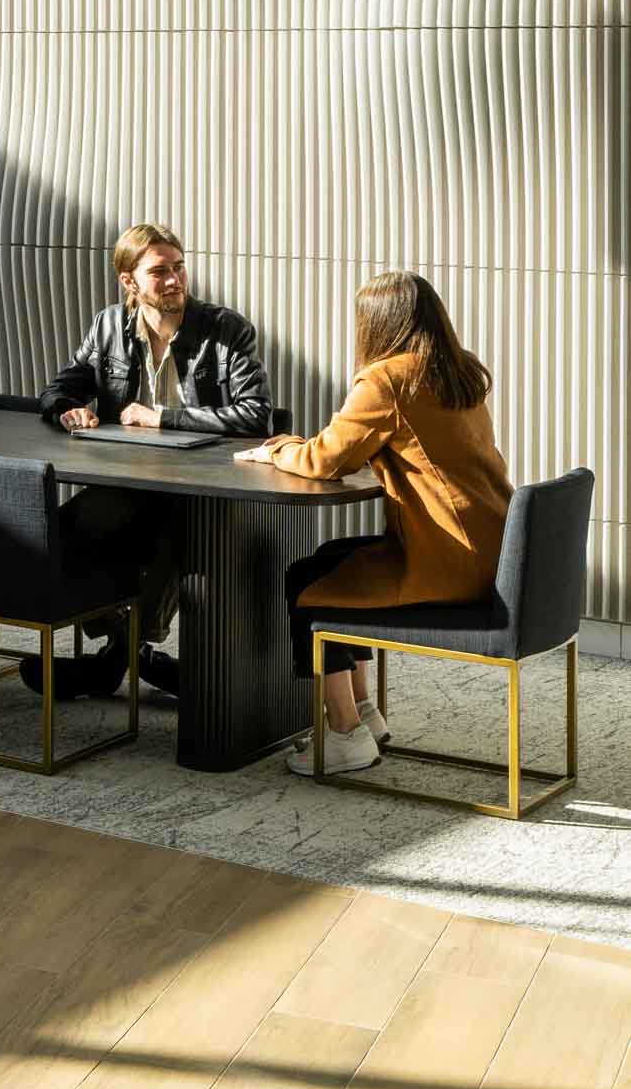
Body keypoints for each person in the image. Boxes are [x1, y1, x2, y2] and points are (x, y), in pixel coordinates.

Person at [238, 270, 513, 780]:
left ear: (377, 324)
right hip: (489, 548)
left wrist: (276, 447)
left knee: (306, 585)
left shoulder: (388, 378)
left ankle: (342, 736)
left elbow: (326, 459)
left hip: (446, 561)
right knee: (328, 561)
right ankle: (362, 712)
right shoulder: (459, 371)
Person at [30, 223, 273, 700]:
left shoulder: (225, 331)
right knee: (52, 540)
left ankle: (116, 659)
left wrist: (163, 418)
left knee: (176, 533)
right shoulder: (108, 328)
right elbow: (58, 388)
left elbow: (255, 416)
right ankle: (132, 651)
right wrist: (67, 409)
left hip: (206, 489)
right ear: (129, 282)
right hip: (128, 483)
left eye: (179, 267)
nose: (174, 280)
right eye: (159, 271)